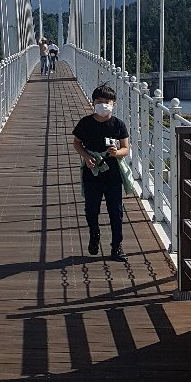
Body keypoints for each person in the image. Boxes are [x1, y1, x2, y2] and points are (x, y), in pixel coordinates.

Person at [72, 83, 130, 262]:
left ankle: (116, 247)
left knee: (116, 210)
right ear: (93, 103)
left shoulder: (118, 125)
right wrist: (85, 157)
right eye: (99, 101)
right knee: (91, 209)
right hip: (92, 172)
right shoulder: (85, 123)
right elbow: (77, 143)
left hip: (112, 173)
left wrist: (116, 153)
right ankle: (94, 234)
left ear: (114, 104)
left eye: (107, 102)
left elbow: (125, 149)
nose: (103, 105)